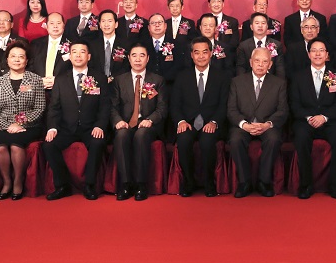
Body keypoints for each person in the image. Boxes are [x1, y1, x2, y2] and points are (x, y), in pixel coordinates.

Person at [43, 42, 111, 201]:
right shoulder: (61, 79)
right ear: (70, 56)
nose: (78, 55)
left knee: (97, 143)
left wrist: (100, 125)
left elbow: (105, 105)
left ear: (89, 56)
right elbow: (54, 107)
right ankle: (62, 185)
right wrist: (52, 128)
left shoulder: (99, 77)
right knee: (49, 145)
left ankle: (89, 185)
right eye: (74, 52)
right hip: (67, 128)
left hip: (90, 127)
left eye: (82, 52)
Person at [172, 37, 232, 197]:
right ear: (191, 55)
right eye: (196, 52)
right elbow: (175, 105)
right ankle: (189, 181)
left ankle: (208, 182)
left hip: (211, 121)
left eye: (205, 52)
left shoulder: (222, 76)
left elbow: (224, 104)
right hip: (189, 122)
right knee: (183, 140)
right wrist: (181, 121)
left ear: (211, 53)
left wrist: (214, 122)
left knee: (207, 140)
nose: (201, 56)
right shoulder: (182, 76)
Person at [290, 39, 336, 200]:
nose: (317, 54)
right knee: (301, 138)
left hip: (330, 120)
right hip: (305, 121)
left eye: (321, 50)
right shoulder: (298, 76)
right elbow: (294, 104)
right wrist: (309, 117)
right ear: (308, 54)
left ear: (327, 54)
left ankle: (334, 184)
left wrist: (324, 117)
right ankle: (306, 185)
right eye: (314, 50)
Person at [0, 40, 46, 200]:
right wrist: (8, 125)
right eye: (13, 56)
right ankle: (7, 182)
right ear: (7, 60)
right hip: (4, 125)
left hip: (30, 125)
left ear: (26, 60)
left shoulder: (35, 80)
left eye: (21, 57)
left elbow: (39, 108)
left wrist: (20, 123)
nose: (17, 59)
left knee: (15, 145)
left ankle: (18, 181)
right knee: (0, 148)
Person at [227, 47, 288, 198]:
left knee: (274, 139)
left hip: (267, 125)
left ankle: (264, 181)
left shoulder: (279, 83)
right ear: (250, 62)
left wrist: (267, 124)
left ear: (270, 64)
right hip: (244, 124)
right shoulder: (237, 82)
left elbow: (282, 111)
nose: (260, 64)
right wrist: (245, 125)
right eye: (257, 61)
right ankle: (244, 182)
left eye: (265, 61)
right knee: (235, 139)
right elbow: (231, 110)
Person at [110, 44, 167, 201]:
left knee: (141, 135)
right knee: (121, 135)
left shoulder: (157, 80)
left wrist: (150, 120)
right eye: (134, 55)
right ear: (128, 58)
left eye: (142, 55)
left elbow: (162, 108)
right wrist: (118, 121)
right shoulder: (119, 81)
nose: (137, 59)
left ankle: (141, 184)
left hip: (148, 124)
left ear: (147, 59)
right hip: (126, 123)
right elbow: (112, 107)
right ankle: (127, 184)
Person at [235, 12, 285, 77]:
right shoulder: (243, 46)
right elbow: (241, 68)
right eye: (257, 23)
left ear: (267, 26)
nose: (260, 26)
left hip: (272, 82)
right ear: (251, 27)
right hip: (249, 82)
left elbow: (280, 68)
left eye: (263, 23)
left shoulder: (277, 45)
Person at [144, 14, 188, 86]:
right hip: (147, 85)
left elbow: (179, 66)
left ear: (165, 26)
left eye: (160, 22)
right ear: (149, 27)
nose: (157, 25)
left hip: (170, 85)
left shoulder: (177, 45)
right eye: (153, 23)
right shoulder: (142, 45)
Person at [29, 12, 69, 89]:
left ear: (63, 25)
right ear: (46, 26)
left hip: (62, 89)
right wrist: (39, 81)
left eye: (58, 23)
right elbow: (29, 67)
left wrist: (58, 81)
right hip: (38, 89)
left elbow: (75, 68)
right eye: (51, 23)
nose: (55, 26)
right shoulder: (36, 44)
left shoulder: (72, 45)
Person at [88, 10, 130, 81]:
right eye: (103, 21)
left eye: (110, 21)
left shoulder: (125, 44)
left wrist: (112, 78)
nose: (106, 24)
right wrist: (102, 79)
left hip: (119, 82)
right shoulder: (92, 44)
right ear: (100, 25)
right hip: (98, 82)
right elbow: (90, 66)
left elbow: (127, 66)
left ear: (116, 24)